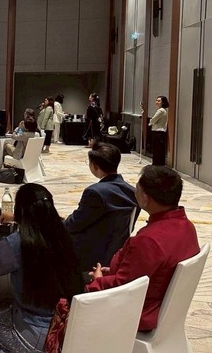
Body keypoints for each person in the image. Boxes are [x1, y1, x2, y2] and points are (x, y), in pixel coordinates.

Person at [0, 184, 83, 353]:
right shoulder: (64, 233)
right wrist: (18, 218)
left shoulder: (18, 243)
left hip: (34, 336)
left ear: (20, 210)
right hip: (66, 329)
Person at [87, 166, 199, 331]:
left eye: (137, 189)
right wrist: (114, 271)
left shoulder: (149, 240)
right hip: (159, 304)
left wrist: (98, 280)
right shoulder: (186, 225)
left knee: (68, 291)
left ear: (146, 199)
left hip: (139, 312)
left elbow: (124, 287)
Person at [63, 142, 138, 271]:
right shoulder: (132, 192)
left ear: (95, 166)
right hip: (115, 254)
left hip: (89, 255)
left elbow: (74, 225)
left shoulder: (95, 192)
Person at [149, 96, 169, 166]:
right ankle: (159, 164)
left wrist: (150, 122)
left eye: (159, 101)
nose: (157, 102)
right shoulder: (163, 110)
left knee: (157, 149)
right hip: (160, 132)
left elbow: (153, 119)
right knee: (159, 149)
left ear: (163, 102)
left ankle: (157, 164)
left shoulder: (161, 111)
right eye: (156, 100)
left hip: (158, 132)